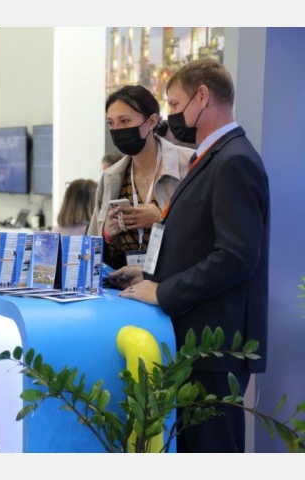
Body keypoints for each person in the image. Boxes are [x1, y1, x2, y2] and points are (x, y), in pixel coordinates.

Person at [110, 58, 270, 453]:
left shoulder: (233, 160)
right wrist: (149, 275)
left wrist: (164, 291)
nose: (171, 115)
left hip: (214, 346)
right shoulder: (212, 157)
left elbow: (235, 256)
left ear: (202, 97)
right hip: (196, 341)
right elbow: (198, 241)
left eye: (175, 103)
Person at [88, 85, 195, 270]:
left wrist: (161, 221)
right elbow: (91, 251)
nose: (117, 130)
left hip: (171, 282)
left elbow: (203, 235)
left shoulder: (189, 164)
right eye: (111, 123)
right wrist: (107, 234)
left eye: (125, 121)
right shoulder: (111, 177)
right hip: (121, 282)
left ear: (152, 121)